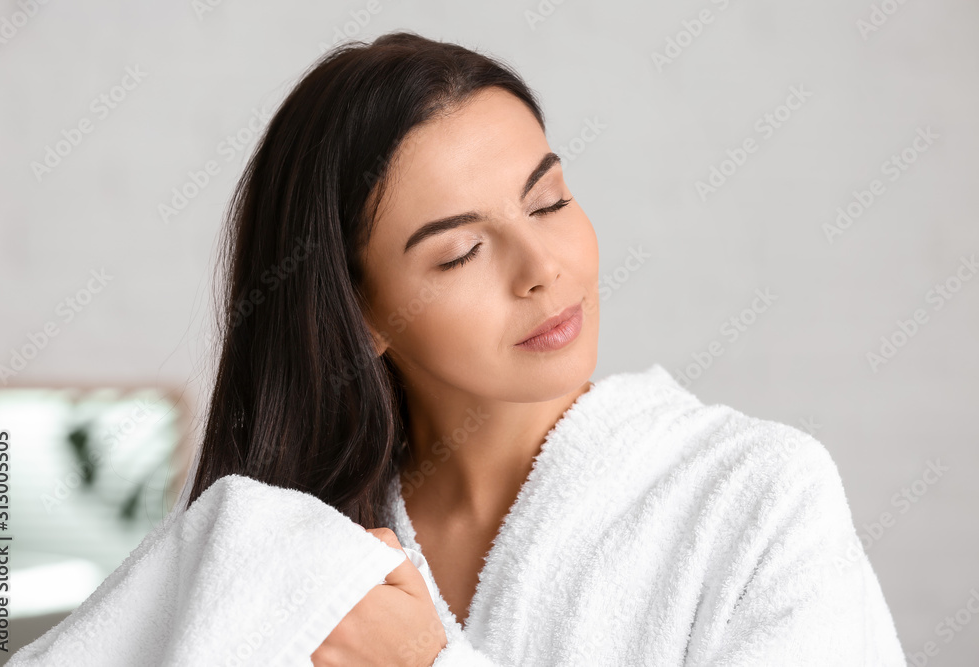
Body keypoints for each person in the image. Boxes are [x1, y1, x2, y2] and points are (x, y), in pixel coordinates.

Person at [175, 30, 907, 665]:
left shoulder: (759, 497)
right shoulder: (283, 550)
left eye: (549, 201)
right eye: (461, 251)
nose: (542, 268)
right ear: (358, 316)